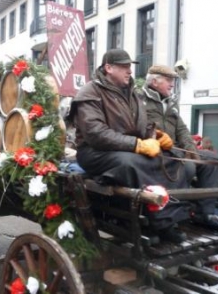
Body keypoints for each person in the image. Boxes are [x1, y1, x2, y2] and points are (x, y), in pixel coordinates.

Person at [70, 49, 194, 243]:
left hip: (124, 148)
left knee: (172, 158)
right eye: (124, 66)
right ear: (108, 68)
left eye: (130, 66)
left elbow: (142, 127)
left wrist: (157, 136)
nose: (129, 71)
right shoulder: (90, 92)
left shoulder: (132, 94)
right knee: (131, 163)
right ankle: (151, 223)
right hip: (94, 151)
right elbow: (96, 134)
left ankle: (168, 220)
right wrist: (137, 144)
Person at [140, 64, 218, 229]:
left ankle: (205, 213)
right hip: (156, 150)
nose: (172, 84)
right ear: (154, 82)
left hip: (176, 149)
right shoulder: (138, 100)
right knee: (188, 167)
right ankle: (174, 216)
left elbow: (182, 129)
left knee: (213, 159)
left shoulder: (171, 102)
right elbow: (138, 128)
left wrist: (191, 149)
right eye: (169, 80)